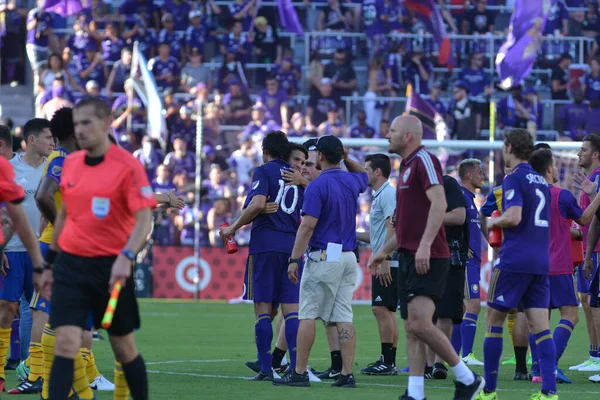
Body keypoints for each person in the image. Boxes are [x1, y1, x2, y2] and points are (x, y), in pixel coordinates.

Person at [38, 97, 157, 400]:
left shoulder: (127, 166)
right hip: (70, 267)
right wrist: (50, 263)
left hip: (111, 270)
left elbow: (144, 220)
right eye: (76, 123)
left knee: (123, 347)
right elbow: (65, 214)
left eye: (86, 123)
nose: (79, 129)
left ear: (106, 124)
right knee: (65, 343)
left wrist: (126, 257)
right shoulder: (72, 163)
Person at [368, 115, 483, 400]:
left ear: (408, 136)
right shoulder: (405, 168)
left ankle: (468, 379)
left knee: (419, 323)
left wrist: (425, 245)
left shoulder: (424, 161)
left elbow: (440, 203)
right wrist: (383, 251)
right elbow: (407, 228)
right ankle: (416, 392)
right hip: (410, 254)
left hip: (429, 256)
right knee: (411, 327)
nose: (387, 135)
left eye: (392, 131)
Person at [20, 108, 115, 399]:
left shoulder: (72, 161)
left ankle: (60, 388)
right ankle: (55, 385)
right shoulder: (60, 158)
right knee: (54, 316)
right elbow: (43, 195)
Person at [272, 135, 368, 388]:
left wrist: (294, 259)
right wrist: (346, 157)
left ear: (321, 157)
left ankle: (299, 372)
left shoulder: (317, 185)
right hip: (348, 255)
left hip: (324, 254)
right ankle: (347, 374)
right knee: (344, 316)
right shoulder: (351, 179)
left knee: (307, 314)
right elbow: (366, 175)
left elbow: (307, 227)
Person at [478, 128, 557, 400]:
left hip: (515, 259)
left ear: (509, 148)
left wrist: (492, 222)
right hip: (540, 260)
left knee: (493, 321)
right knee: (540, 325)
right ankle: (549, 391)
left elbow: (512, 217)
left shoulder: (514, 179)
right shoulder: (541, 181)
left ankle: (488, 391)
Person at [220, 131, 302, 381]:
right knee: (292, 312)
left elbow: (256, 205)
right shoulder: (298, 177)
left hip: (266, 246)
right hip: (292, 247)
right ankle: (297, 371)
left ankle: (266, 368)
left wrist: (233, 228)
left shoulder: (264, 171)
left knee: (263, 311)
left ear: (266, 150)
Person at [529, 148, 600, 385]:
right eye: (556, 165)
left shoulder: (526, 195)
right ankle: (549, 366)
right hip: (557, 265)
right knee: (570, 315)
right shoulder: (562, 195)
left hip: (532, 265)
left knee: (541, 318)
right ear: (549, 169)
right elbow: (585, 219)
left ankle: (537, 369)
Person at [0, 118, 54, 392]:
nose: (52, 143)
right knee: (7, 311)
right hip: (11, 251)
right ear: (31, 140)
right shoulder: (9, 168)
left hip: (41, 251)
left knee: (37, 313)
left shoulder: (53, 169)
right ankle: (1, 372)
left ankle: (33, 371)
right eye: (47, 138)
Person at [356, 154, 399, 376]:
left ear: (377, 172)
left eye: (366, 169)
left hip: (388, 260)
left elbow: (393, 228)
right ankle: (388, 360)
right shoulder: (381, 194)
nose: (363, 173)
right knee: (387, 310)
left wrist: (386, 258)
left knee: (380, 308)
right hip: (385, 257)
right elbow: (378, 234)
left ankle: (387, 362)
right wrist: (352, 235)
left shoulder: (388, 194)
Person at [426, 174, 468, 380]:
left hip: (450, 256)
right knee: (424, 312)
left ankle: (438, 363)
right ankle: (428, 363)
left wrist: (429, 218)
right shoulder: (412, 184)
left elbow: (459, 216)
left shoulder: (447, 183)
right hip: (422, 256)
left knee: (445, 312)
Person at [571, 134, 600, 375]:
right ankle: (593, 353)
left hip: (597, 248)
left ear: (595, 154)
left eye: (583, 150)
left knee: (594, 302)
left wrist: (592, 194)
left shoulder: (598, 178)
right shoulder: (589, 178)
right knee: (586, 301)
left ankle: (598, 356)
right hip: (587, 249)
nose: (579, 153)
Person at [458, 159, 485, 367]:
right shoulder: (460, 197)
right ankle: (466, 354)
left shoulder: (470, 199)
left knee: (463, 308)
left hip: (474, 259)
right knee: (473, 306)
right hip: (467, 260)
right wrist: (461, 246)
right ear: (469, 175)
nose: (483, 175)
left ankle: (457, 355)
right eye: (479, 172)